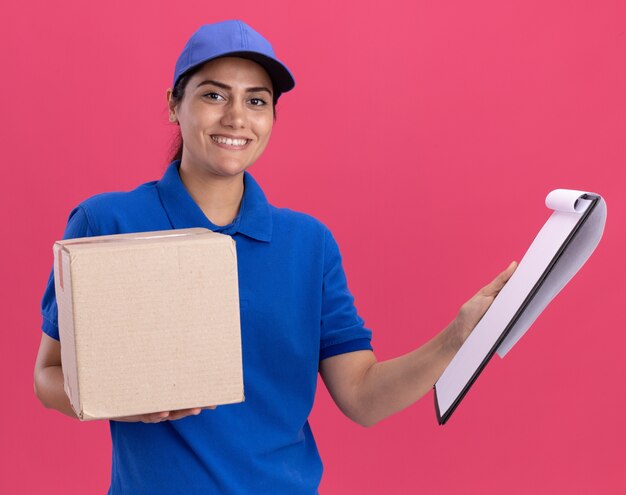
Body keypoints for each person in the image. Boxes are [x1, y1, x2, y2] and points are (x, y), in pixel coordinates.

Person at [33, 19, 517, 494]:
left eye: (256, 101)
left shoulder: (309, 244)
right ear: (173, 105)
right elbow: (48, 376)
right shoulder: (107, 223)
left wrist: (457, 337)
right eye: (213, 95)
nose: (236, 118)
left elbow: (363, 397)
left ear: (271, 118)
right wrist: (121, 400)